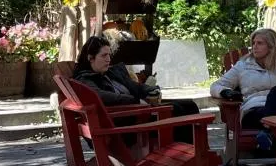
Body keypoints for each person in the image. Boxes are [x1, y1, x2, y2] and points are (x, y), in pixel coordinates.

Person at [72, 36, 200, 143]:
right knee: (177, 110)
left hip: (138, 112)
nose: (109, 59)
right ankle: (188, 153)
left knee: (189, 105)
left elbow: (134, 86)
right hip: (128, 123)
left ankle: (196, 150)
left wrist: (150, 90)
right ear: (90, 58)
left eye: (109, 55)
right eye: (104, 55)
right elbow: (101, 96)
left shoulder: (109, 73)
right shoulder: (85, 80)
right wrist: (136, 101)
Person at [211, 28, 276, 153]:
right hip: (254, 112)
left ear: (271, 46)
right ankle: (268, 134)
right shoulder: (243, 66)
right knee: (275, 102)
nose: (254, 46)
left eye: (260, 43)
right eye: (253, 43)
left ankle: (267, 134)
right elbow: (216, 86)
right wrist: (226, 92)